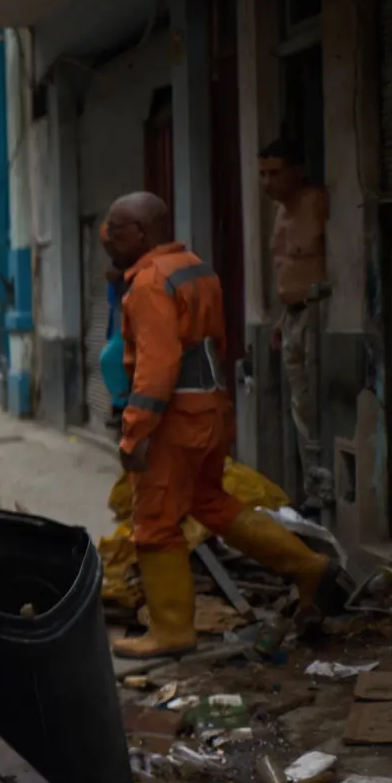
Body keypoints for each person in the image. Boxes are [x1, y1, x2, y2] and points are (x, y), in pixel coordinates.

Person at [102, 192, 330, 658]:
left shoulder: (148, 283)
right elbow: (216, 345)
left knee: (155, 522)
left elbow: (158, 367)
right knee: (210, 501)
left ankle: (170, 631)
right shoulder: (195, 268)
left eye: (116, 230)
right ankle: (308, 564)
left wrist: (135, 432)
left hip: (172, 421)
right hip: (211, 409)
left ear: (141, 233)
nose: (107, 239)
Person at [258, 138, 332, 508]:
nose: (267, 182)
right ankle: (314, 490)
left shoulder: (317, 202)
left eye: (275, 173)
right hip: (292, 317)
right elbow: (284, 268)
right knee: (299, 408)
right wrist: (280, 317)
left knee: (318, 405)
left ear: (297, 171)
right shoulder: (278, 213)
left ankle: (327, 491)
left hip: (318, 316)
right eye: (262, 174)